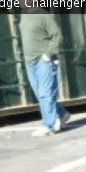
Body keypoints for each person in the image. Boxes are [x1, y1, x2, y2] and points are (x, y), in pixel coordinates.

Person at [19, 9, 70, 137]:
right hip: (30, 61)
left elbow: (57, 35)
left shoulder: (43, 15)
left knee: (45, 94)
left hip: (44, 60)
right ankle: (62, 114)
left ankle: (49, 126)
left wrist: (48, 55)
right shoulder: (23, 14)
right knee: (39, 93)